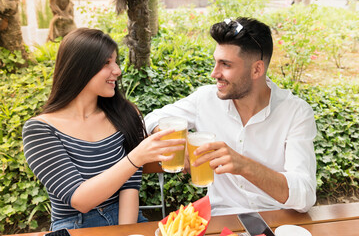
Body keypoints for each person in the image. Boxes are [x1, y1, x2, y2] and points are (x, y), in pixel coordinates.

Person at [145, 17, 317, 216]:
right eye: (215, 62)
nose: (214, 73)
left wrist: (244, 165)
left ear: (257, 69)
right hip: (222, 219)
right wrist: (177, 143)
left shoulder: (296, 112)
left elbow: (304, 196)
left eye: (225, 65)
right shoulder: (205, 99)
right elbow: (153, 118)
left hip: (279, 220)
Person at [22, 28, 185, 230]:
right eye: (106, 63)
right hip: (75, 226)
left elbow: (129, 187)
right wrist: (136, 158)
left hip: (127, 219)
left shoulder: (125, 113)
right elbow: (80, 200)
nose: (117, 70)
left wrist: (126, 233)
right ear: (79, 68)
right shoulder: (40, 130)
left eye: (115, 61)